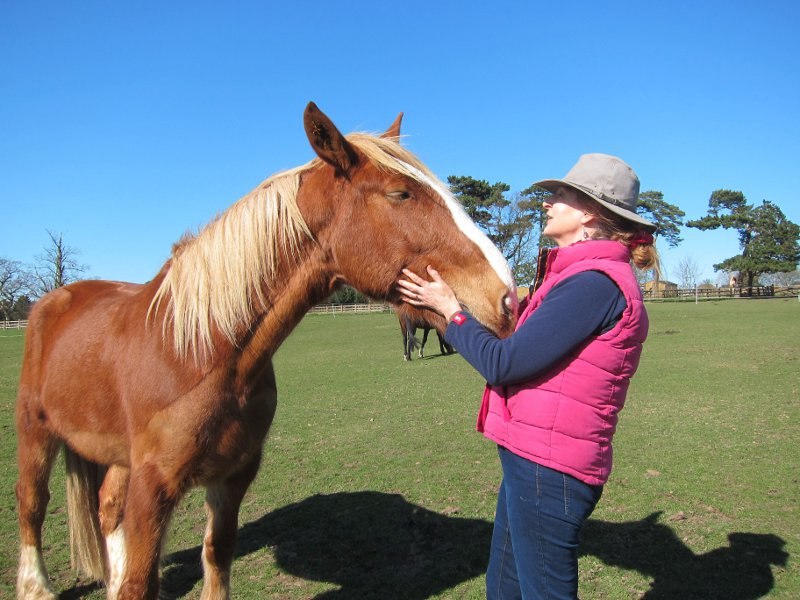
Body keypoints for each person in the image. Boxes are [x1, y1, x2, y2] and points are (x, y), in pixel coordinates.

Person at [397, 153, 659, 599]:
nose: (548, 202)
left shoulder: (594, 284)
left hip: (551, 468)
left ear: (589, 212)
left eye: (560, 195)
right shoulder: (580, 277)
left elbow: (505, 362)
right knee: (505, 584)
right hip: (534, 458)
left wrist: (449, 312)